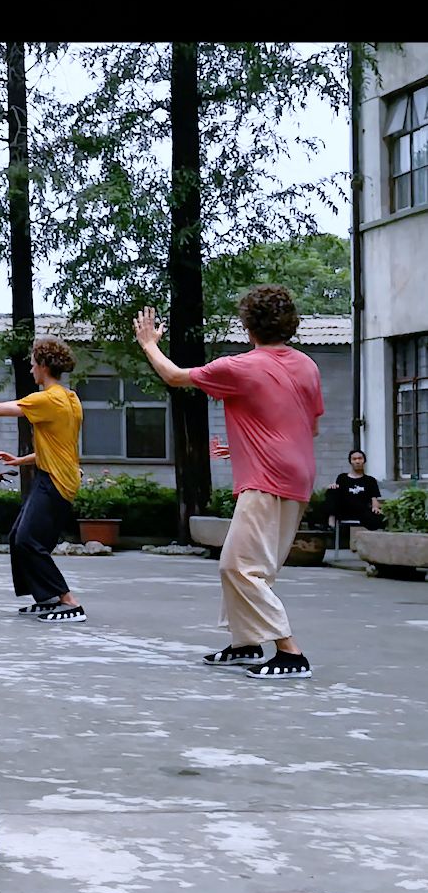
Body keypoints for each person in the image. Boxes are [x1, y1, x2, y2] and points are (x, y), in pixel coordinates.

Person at [133, 285, 322, 679]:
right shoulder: (308, 365)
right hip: (298, 475)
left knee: (237, 567)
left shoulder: (239, 367)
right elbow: (309, 426)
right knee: (260, 567)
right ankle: (245, 644)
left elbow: (173, 375)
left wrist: (149, 343)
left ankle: (290, 653)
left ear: (248, 327)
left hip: (266, 478)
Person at [0, 339, 87, 623]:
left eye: (32, 364)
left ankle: (68, 601)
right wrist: (20, 461)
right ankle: (46, 598)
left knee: (29, 540)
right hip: (58, 475)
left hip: (54, 480)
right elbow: (59, 446)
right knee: (19, 536)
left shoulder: (46, 399)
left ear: (43, 366)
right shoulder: (71, 399)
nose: (30, 369)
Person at [325, 450, 384, 541]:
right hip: (344, 510)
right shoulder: (342, 478)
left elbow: (374, 499)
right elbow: (336, 496)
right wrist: (332, 487)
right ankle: (331, 519)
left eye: (360, 458)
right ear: (350, 461)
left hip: (362, 510)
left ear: (364, 461)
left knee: (379, 518)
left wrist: (376, 508)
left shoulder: (370, 480)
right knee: (332, 490)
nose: (357, 461)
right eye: (354, 459)